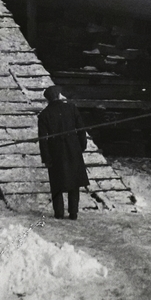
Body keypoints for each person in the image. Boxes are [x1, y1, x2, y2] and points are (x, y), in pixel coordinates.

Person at [37, 87, 89, 219]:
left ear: (47, 99)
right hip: (73, 149)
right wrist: (81, 146)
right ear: (59, 96)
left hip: (55, 151)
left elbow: (43, 139)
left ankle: (59, 212)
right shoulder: (71, 108)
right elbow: (81, 129)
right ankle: (73, 212)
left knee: (56, 183)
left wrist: (46, 157)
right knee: (74, 182)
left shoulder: (44, 115)